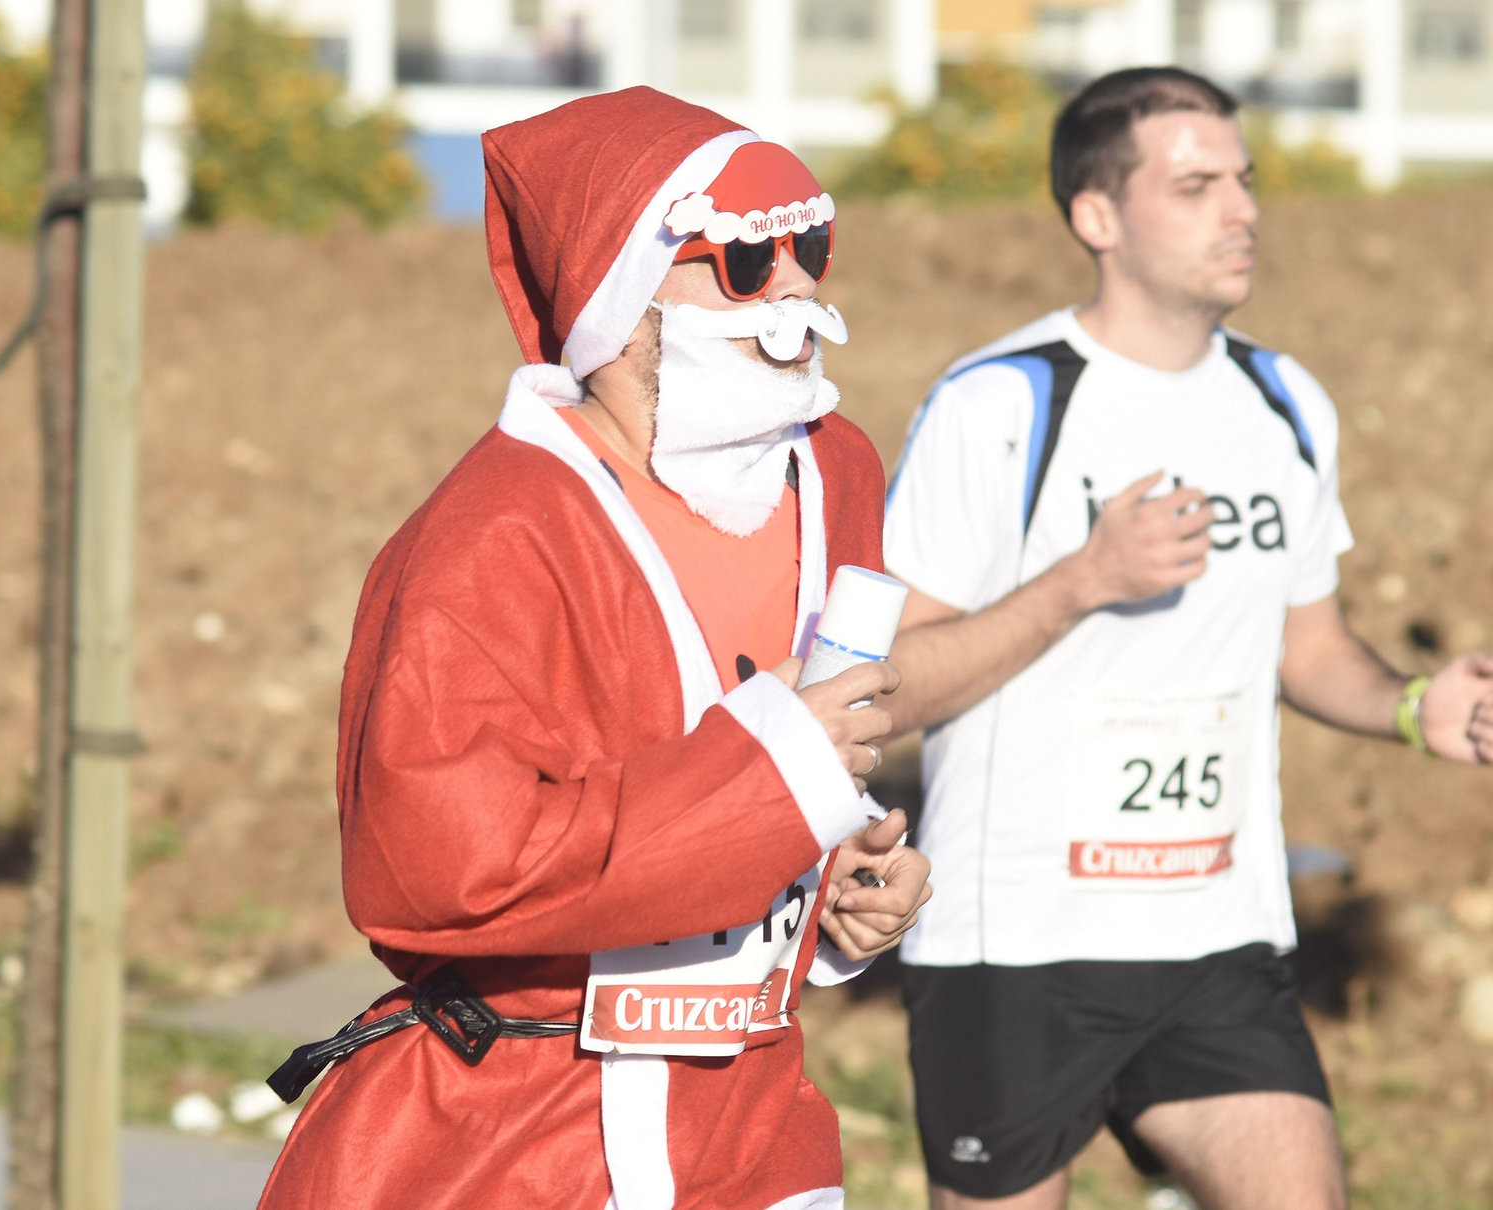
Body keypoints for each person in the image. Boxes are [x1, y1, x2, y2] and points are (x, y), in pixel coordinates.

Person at [256, 86, 931, 1210]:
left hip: (753, 1126)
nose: (798, 291)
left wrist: (835, 892)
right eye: (743, 264)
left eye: (810, 244)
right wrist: (773, 785)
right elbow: (437, 872)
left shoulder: (836, 469)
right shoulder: (488, 535)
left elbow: (787, 784)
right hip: (521, 1135)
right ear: (619, 296)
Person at [881, 67, 1493, 1210]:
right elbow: (887, 684)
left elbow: (1308, 650)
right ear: (1096, 217)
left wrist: (1416, 706)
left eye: (1244, 181)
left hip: (1216, 937)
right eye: (1197, 185)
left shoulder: (1285, 402)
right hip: (1015, 943)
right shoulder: (1001, 406)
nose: (1243, 210)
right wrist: (1081, 581)